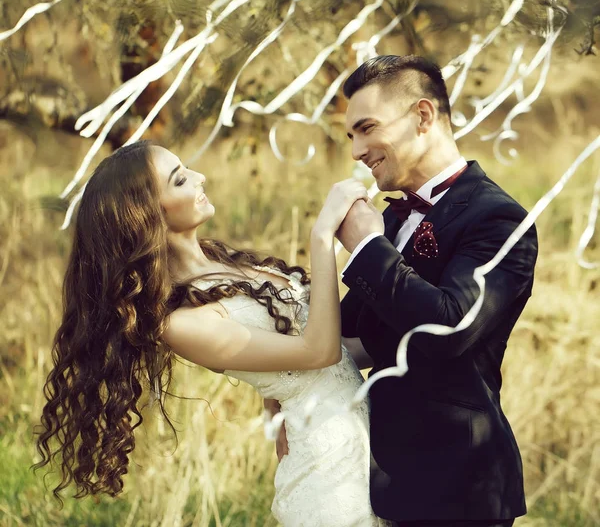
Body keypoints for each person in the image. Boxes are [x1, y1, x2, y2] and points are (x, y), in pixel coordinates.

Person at [34, 140, 390, 527]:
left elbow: (336, 353)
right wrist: (323, 239)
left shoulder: (224, 262)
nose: (201, 178)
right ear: (149, 215)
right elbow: (319, 352)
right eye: (181, 179)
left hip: (365, 447)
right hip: (330, 479)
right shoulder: (181, 323)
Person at [335, 55, 538, 527]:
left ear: (423, 116)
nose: (356, 150)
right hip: (382, 474)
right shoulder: (391, 219)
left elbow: (451, 327)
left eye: (367, 128)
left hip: (459, 484)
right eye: (351, 136)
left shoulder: (500, 219)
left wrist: (366, 246)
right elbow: (350, 339)